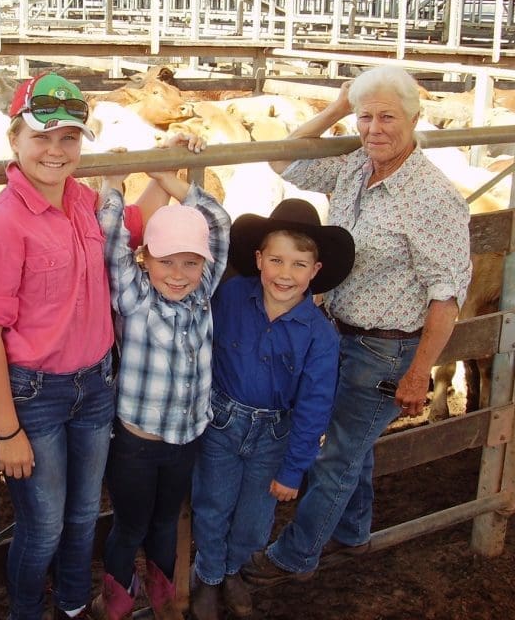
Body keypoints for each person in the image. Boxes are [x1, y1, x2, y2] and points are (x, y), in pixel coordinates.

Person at [240, 64, 472, 588]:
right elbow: (283, 156)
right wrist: (338, 107)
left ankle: (294, 557)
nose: (375, 129)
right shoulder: (353, 166)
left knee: (338, 455)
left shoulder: (432, 198)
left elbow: (447, 294)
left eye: (387, 116)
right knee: (353, 446)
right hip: (336, 334)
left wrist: (420, 372)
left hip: (387, 352)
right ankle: (352, 532)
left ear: (414, 118)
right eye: (366, 117)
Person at [0, 73, 168, 620]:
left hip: (96, 384)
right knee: (44, 522)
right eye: (41, 137)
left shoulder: (83, 202)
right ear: (15, 140)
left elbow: (136, 225)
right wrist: (6, 429)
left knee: (81, 514)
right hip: (37, 395)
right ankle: (27, 609)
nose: (55, 150)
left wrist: (171, 165)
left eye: (69, 138)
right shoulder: (1, 225)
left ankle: (73, 603)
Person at [189, 199, 354, 620]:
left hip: (273, 436)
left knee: (254, 519)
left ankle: (231, 569)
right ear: (258, 259)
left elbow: (315, 405)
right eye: (276, 260)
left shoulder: (321, 336)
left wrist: (294, 468)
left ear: (316, 272)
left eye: (299, 264)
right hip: (222, 421)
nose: (285, 274)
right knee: (212, 503)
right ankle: (207, 577)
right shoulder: (229, 296)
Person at [90, 146, 232, 620]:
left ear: (204, 265)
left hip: (185, 439)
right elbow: (110, 237)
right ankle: (118, 599)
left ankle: (162, 591)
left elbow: (218, 220)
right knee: (130, 524)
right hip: (137, 441)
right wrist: (114, 181)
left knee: (167, 520)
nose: (178, 274)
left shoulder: (203, 290)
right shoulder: (134, 296)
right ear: (144, 257)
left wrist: (161, 172)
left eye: (190, 263)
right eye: (166, 261)